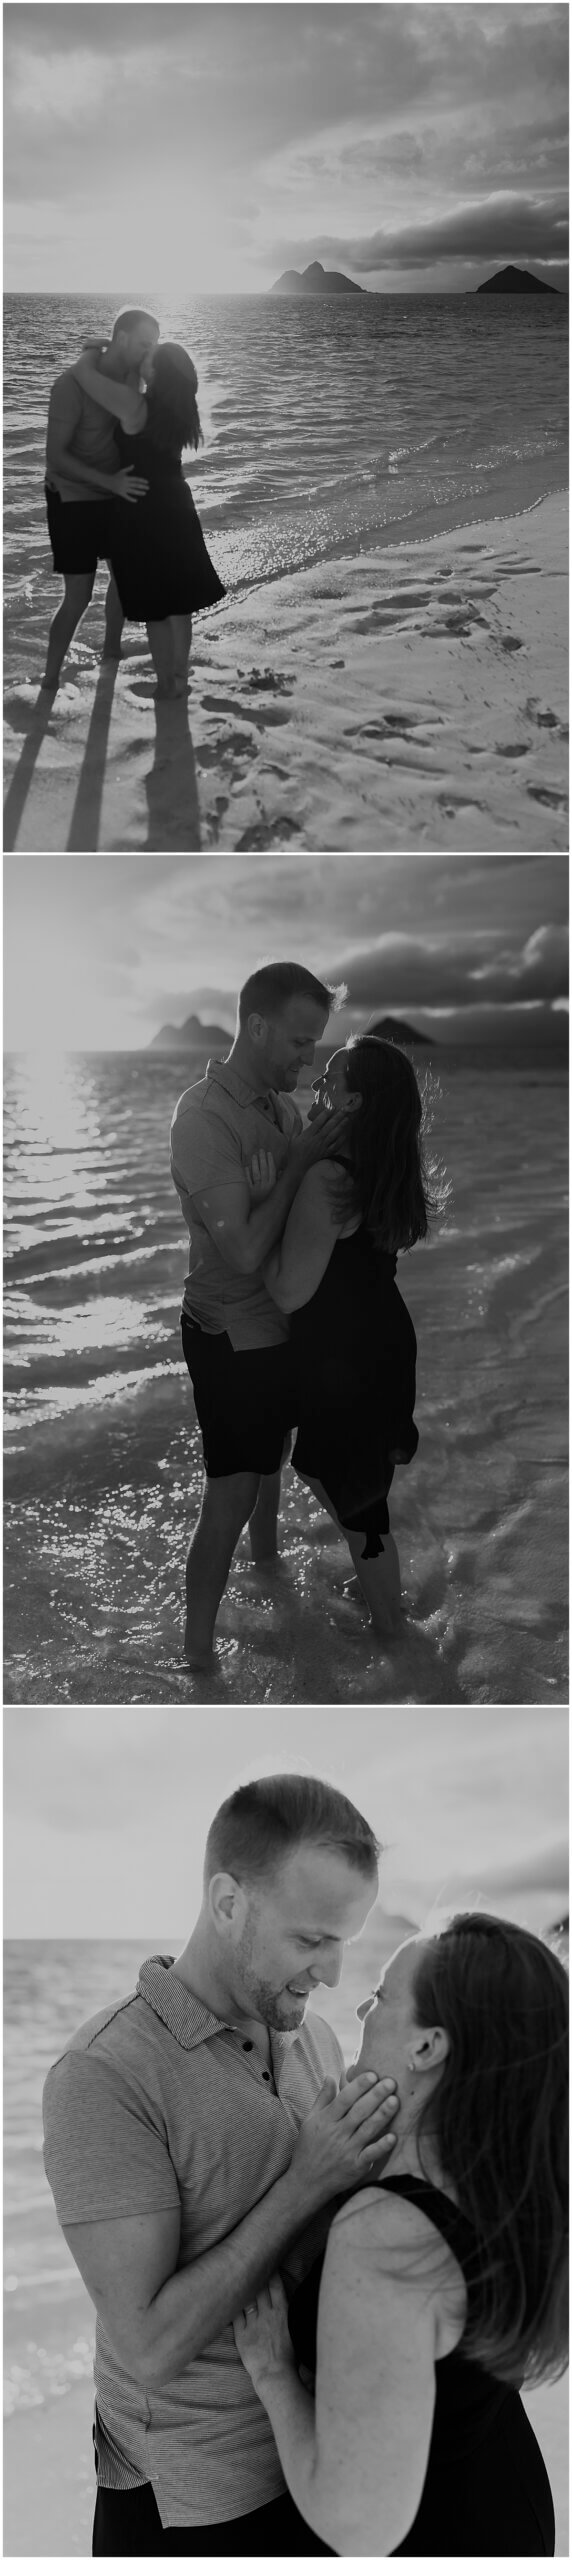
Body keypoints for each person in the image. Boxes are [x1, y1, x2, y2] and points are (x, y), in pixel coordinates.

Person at [42, 1773, 399, 2557]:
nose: (333, 1973)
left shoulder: (316, 2038)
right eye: (311, 1941)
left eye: (345, 1942)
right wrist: (308, 2178)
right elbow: (148, 2347)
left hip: (316, 2466)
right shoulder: (106, 2074)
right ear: (229, 1903)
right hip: (194, 2509)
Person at [235, 1911, 568, 2556]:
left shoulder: (389, 2230)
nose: (361, 2008)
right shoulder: (510, 2185)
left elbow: (359, 2526)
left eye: (383, 1996)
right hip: (509, 2512)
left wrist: (274, 2373)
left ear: (427, 2047)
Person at [170, 962, 345, 1673]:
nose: (310, 1059)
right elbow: (241, 1251)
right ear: (258, 1026)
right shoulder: (204, 1118)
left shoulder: (282, 1110)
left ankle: (269, 1570)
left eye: (317, 1046)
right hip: (228, 1333)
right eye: (301, 1043)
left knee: (272, 1463)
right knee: (232, 1493)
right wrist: (300, 1159)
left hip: (278, 1326)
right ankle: (197, 1660)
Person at [251, 1035, 433, 1639]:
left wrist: (260, 1213)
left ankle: (395, 1634)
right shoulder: (384, 1164)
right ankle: (384, 1594)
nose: (317, 1085)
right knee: (357, 1494)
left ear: (354, 1101)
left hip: (349, 1360)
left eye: (330, 1078)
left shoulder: (330, 1175)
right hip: (380, 1346)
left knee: (358, 1507)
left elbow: (286, 1291)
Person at [69, 338, 225, 698]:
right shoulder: (182, 408)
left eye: (150, 358)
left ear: (158, 371)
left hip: (143, 511)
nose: (144, 360)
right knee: (180, 604)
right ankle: (180, 679)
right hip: (178, 507)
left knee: (156, 607)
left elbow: (85, 378)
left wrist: (91, 354)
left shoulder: (137, 407)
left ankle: (166, 685)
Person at [42, 306, 160, 691]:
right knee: (78, 595)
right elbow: (56, 457)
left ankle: (112, 652)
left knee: (123, 577)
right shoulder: (68, 386)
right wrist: (108, 482)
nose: (149, 353)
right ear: (122, 338)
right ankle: (49, 680)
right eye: (144, 344)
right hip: (73, 495)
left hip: (115, 490)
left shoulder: (130, 377)